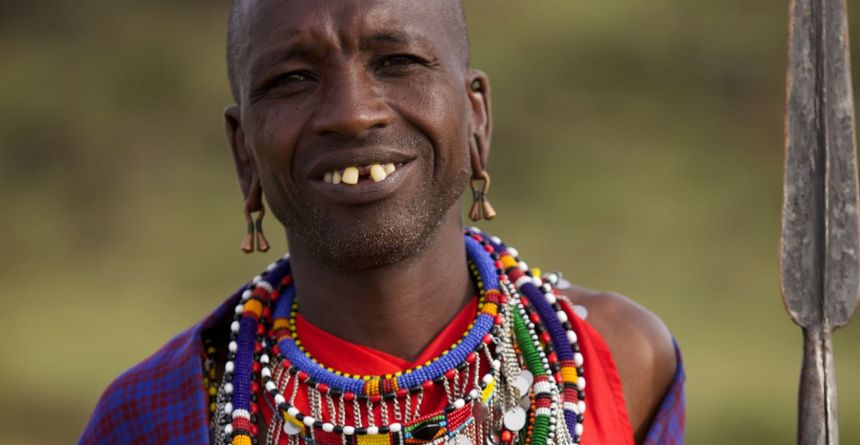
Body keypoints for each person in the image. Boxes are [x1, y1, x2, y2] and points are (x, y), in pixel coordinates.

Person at [80, 0, 685, 444]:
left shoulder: (620, 359)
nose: (351, 114)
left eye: (397, 61)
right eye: (291, 79)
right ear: (245, 152)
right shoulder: (151, 417)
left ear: (476, 116)